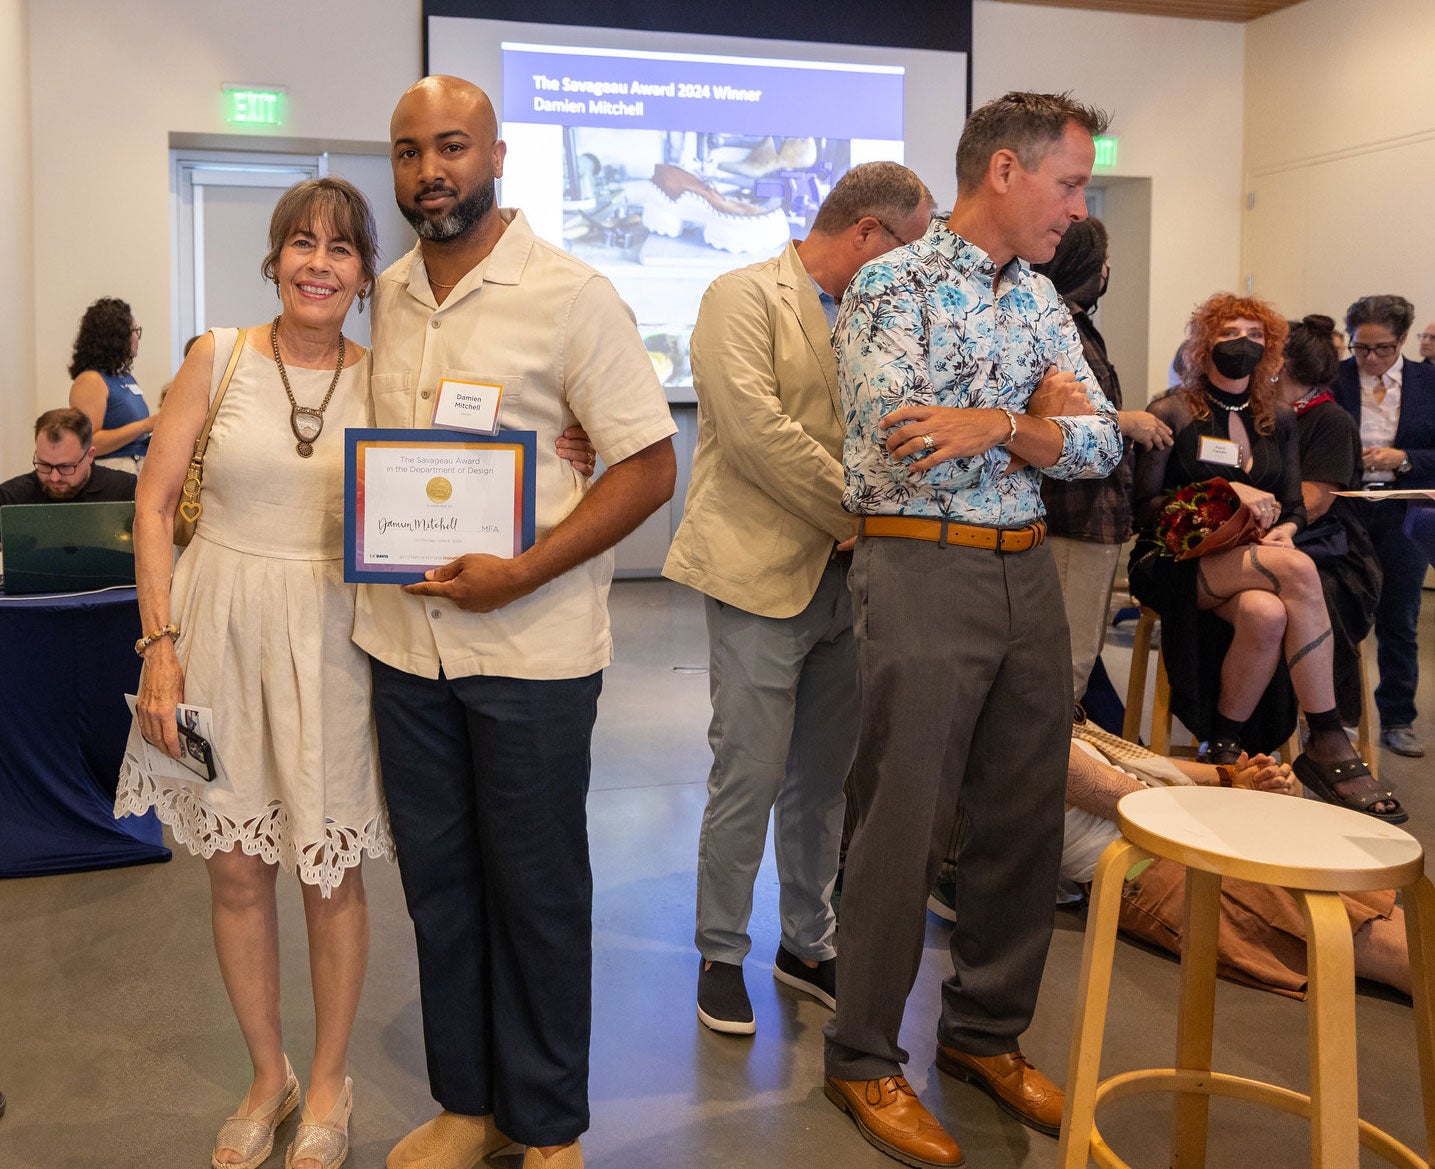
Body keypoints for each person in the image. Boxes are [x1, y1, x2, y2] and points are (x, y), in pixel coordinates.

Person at [359, 77, 676, 1169]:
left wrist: (525, 567)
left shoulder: (569, 294)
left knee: (536, 890)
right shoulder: (387, 293)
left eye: (450, 147)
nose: (428, 170)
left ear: (495, 155)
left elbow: (647, 464)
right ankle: (468, 1102)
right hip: (403, 647)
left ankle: (546, 1124)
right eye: (407, 153)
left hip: (530, 651)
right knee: (440, 886)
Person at [821, 91, 1122, 1169]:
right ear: (1004, 170)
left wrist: (999, 422)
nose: (1077, 206)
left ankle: (985, 1034)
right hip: (917, 566)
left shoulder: (1041, 295)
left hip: (1023, 570)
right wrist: (1038, 416)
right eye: (1069, 181)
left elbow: (1099, 446)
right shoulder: (887, 285)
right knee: (903, 817)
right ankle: (860, 1054)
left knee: (1021, 816)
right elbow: (905, 439)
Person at [116, 177, 394, 1169]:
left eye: (342, 248)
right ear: (273, 258)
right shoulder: (216, 355)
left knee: (329, 869)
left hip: (331, 641)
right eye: (301, 243)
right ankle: (266, 1072)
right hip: (215, 628)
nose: (319, 261)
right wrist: (161, 646)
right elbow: (152, 506)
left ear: (364, 274)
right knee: (237, 867)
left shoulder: (383, 374)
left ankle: (327, 1081)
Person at [663, 162, 935, 1035]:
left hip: (852, 585)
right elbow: (755, 434)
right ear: (866, 232)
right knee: (748, 770)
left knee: (822, 783)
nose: (915, 269)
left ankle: (805, 941)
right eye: (910, 248)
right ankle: (720, 949)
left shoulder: (884, 318)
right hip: (760, 575)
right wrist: (864, 510)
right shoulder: (739, 296)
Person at [1129, 293, 1403, 823]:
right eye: (1231, 332)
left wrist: (1288, 530)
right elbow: (1146, 511)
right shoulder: (1171, 410)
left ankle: (1224, 747)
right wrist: (1225, 490)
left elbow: (1298, 506)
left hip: (1254, 561)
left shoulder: (1277, 418)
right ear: (1206, 342)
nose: (1245, 345)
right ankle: (1326, 735)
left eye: (1256, 337)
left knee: (1268, 613)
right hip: (1175, 563)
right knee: (1300, 569)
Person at [1061, 720, 1411, 1000]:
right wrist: (1237, 794)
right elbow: (1145, 811)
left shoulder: (1045, 700)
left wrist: (1230, 777)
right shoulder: (1027, 728)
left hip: (1183, 837)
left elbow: (1144, 763)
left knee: (1382, 915)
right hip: (1143, 864)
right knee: (1377, 939)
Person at [1031, 216, 1172, 699]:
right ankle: (1061, 775)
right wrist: (1128, 421)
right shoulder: (1057, 326)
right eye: (1103, 261)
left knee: (1074, 661)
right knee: (1066, 667)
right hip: (1075, 513)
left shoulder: (1076, 324)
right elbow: (1065, 418)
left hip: (1089, 515)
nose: (1108, 271)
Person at [1333, 294, 1435, 759]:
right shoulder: (1333, 380)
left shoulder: (1427, 383)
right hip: (1347, 507)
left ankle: (1398, 716)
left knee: (1400, 616)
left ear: (1404, 341)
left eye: (1383, 349)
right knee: (1342, 610)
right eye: (1361, 348)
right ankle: (1338, 716)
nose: (1371, 358)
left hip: (1404, 510)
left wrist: (1406, 458)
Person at [1273, 314, 1381, 727]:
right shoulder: (1272, 412)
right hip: (1287, 540)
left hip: (1333, 551)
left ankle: (1324, 723)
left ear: (1279, 363)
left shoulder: (1329, 420)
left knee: (1303, 593)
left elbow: (1314, 503)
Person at [67, 296, 155, 473]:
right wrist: (144, 426)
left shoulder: (125, 378)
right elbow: (89, 443)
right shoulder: (91, 381)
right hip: (112, 471)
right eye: (133, 330)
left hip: (139, 468)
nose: (137, 336)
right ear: (116, 337)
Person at [0, 408, 135, 506]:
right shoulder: (10, 498)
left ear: (90, 456)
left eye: (65, 467)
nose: (54, 478)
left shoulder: (125, 490)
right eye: (44, 465)